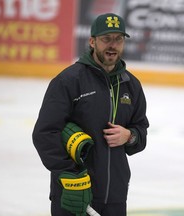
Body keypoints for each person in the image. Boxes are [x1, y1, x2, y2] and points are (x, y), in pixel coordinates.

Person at [32, 13, 149, 216]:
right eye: (106, 39)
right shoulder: (69, 81)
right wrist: (69, 173)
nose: (112, 45)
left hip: (115, 196)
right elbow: (45, 133)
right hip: (74, 195)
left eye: (118, 39)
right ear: (92, 42)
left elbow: (141, 132)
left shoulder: (132, 85)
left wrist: (129, 136)